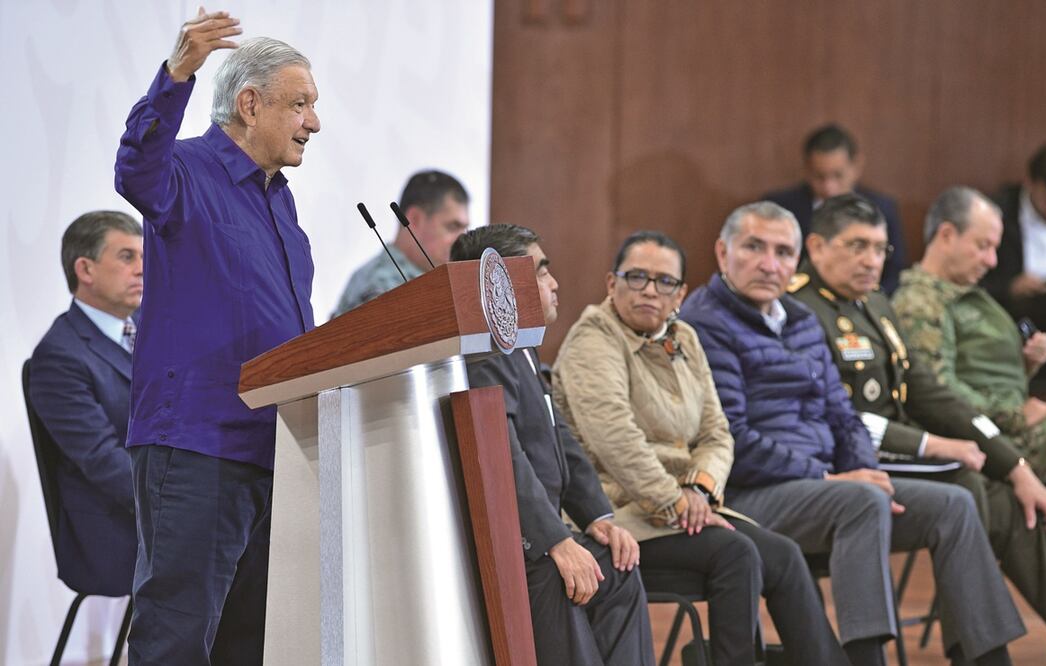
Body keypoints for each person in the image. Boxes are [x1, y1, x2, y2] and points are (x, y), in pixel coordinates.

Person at [680, 201, 1024, 666]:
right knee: (860, 501)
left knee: (953, 504)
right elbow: (733, 440)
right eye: (754, 247)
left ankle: (987, 661)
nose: (770, 263)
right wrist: (832, 481)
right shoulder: (705, 323)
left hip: (826, 489)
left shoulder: (800, 320)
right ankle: (866, 660)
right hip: (749, 494)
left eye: (783, 252)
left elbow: (844, 416)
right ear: (722, 253)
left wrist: (864, 469)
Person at [114, 9, 319, 664]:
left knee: (249, 645)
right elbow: (135, 171)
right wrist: (177, 74)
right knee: (176, 640)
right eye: (300, 104)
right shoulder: (185, 172)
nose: (313, 123)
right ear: (250, 103)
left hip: (272, 453)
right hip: (197, 446)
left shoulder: (278, 199)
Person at [791, 193, 1046, 656]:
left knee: (1011, 505)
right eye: (857, 246)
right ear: (818, 246)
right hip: (844, 462)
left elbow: (930, 392)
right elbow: (834, 418)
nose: (871, 261)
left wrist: (1015, 465)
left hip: (896, 450)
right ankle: (977, 654)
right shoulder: (800, 310)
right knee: (966, 484)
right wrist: (932, 445)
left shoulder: (875, 304)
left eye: (880, 249)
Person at [552, 230, 849, 665]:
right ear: (611, 284)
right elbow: (615, 439)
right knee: (736, 554)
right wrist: (674, 501)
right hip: (618, 516)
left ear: (681, 294)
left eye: (664, 281)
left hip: (685, 509)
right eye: (637, 277)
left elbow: (717, 432)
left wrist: (700, 490)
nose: (650, 290)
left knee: (783, 555)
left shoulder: (685, 338)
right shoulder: (592, 339)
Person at [452, 225, 654, 666]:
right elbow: (503, 456)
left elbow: (559, 433)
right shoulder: (487, 351)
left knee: (618, 568)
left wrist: (597, 515)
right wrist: (556, 542)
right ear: (503, 281)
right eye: (542, 272)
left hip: (546, 533)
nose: (554, 283)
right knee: (565, 575)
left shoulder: (521, 345)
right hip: (521, 544)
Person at [892, 186, 1046, 504]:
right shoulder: (920, 302)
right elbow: (938, 395)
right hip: (990, 443)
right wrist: (1017, 415)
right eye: (983, 246)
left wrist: (1025, 365)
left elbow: (981, 376)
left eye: (994, 248)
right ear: (947, 235)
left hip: (1008, 431)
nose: (992, 261)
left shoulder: (965, 292)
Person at [28, 210, 143, 599]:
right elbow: (103, 461)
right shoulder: (59, 356)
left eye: (146, 258)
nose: (143, 270)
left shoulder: (155, 324)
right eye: (127, 257)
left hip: (167, 503)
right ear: (86, 269)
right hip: (116, 531)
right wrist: (183, 499)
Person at [982, 143, 1046, 390]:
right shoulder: (998, 213)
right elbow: (974, 283)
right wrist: (1011, 286)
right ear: (1029, 182)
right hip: (1021, 313)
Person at [763, 123, 907, 293]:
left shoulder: (882, 209)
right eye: (819, 176)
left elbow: (895, 273)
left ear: (856, 167)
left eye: (838, 175)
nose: (829, 187)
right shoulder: (782, 208)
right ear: (806, 169)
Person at [333, 169, 470, 316]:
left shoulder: (425, 278)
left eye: (465, 229)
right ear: (415, 219)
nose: (462, 240)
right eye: (452, 227)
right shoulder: (382, 284)